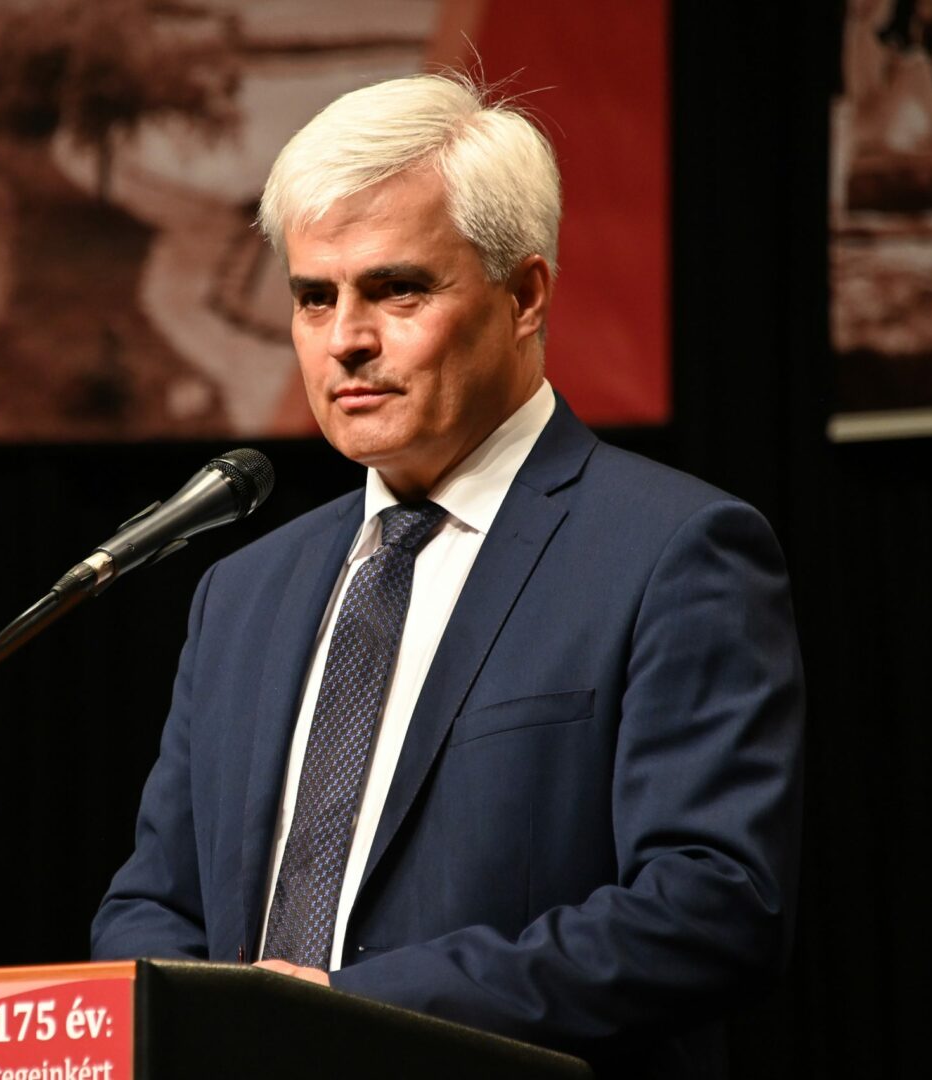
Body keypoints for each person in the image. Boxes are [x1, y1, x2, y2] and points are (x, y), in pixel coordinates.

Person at [91, 73, 804, 1079]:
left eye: (397, 289)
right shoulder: (243, 591)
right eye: (313, 297)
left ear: (524, 296)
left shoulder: (672, 552)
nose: (347, 339)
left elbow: (708, 909)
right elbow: (152, 905)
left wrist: (344, 1017)